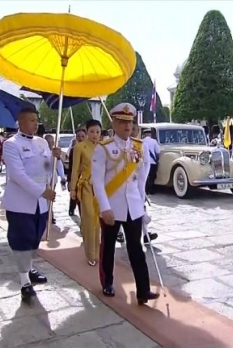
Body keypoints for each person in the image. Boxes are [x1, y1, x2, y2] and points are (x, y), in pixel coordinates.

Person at [92, 102, 159, 305]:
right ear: (114, 122)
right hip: (112, 206)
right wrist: (104, 207)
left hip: (133, 207)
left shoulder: (139, 146)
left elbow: (140, 179)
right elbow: (97, 180)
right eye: (122, 122)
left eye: (130, 122)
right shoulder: (104, 148)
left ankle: (143, 290)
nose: (127, 126)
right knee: (109, 247)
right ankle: (107, 282)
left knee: (136, 249)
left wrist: (142, 207)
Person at [1, 107, 60, 302]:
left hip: (41, 204)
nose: (35, 123)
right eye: (31, 120)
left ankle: (30, 268)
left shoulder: (42, 143)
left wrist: (55, 158)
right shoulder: (11, 144)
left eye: (36, 120)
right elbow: (18, 175)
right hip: (20, 202)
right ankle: (24, 281)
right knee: (22, 240)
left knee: (35, 238)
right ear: (21, 122)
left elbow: (47, 169)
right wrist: (41, 191)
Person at [70, 119, 102, 266]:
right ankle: (90, 254)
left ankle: (98, 251)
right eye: (92, 132)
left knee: (98, 221)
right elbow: (75, 169)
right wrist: (73, 189)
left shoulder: (103, 147)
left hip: (101, 188)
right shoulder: (80, 147)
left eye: (97, 132)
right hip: (86, 187)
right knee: (89, 219)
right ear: (87, 132)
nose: (95, 135)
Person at [44, 134, 67, 225]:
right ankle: (47, 214)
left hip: (52, 179)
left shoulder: (55, 152)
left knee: (50, 198)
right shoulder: (43, 151)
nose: (50, 144)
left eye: (52, 142)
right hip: (42, 179)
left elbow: (59, 166)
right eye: (48, 142)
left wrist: (62, 177)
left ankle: (50, 214)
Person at [142, 128, 160, 194]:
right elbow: (158, 152)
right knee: (152, 177)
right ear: (150, 134)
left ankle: (145, 190)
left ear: (144, 134)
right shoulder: (154, 141)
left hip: (144, 162)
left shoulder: (141, 141)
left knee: (145, 177)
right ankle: (151, 190)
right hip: (152, 162)